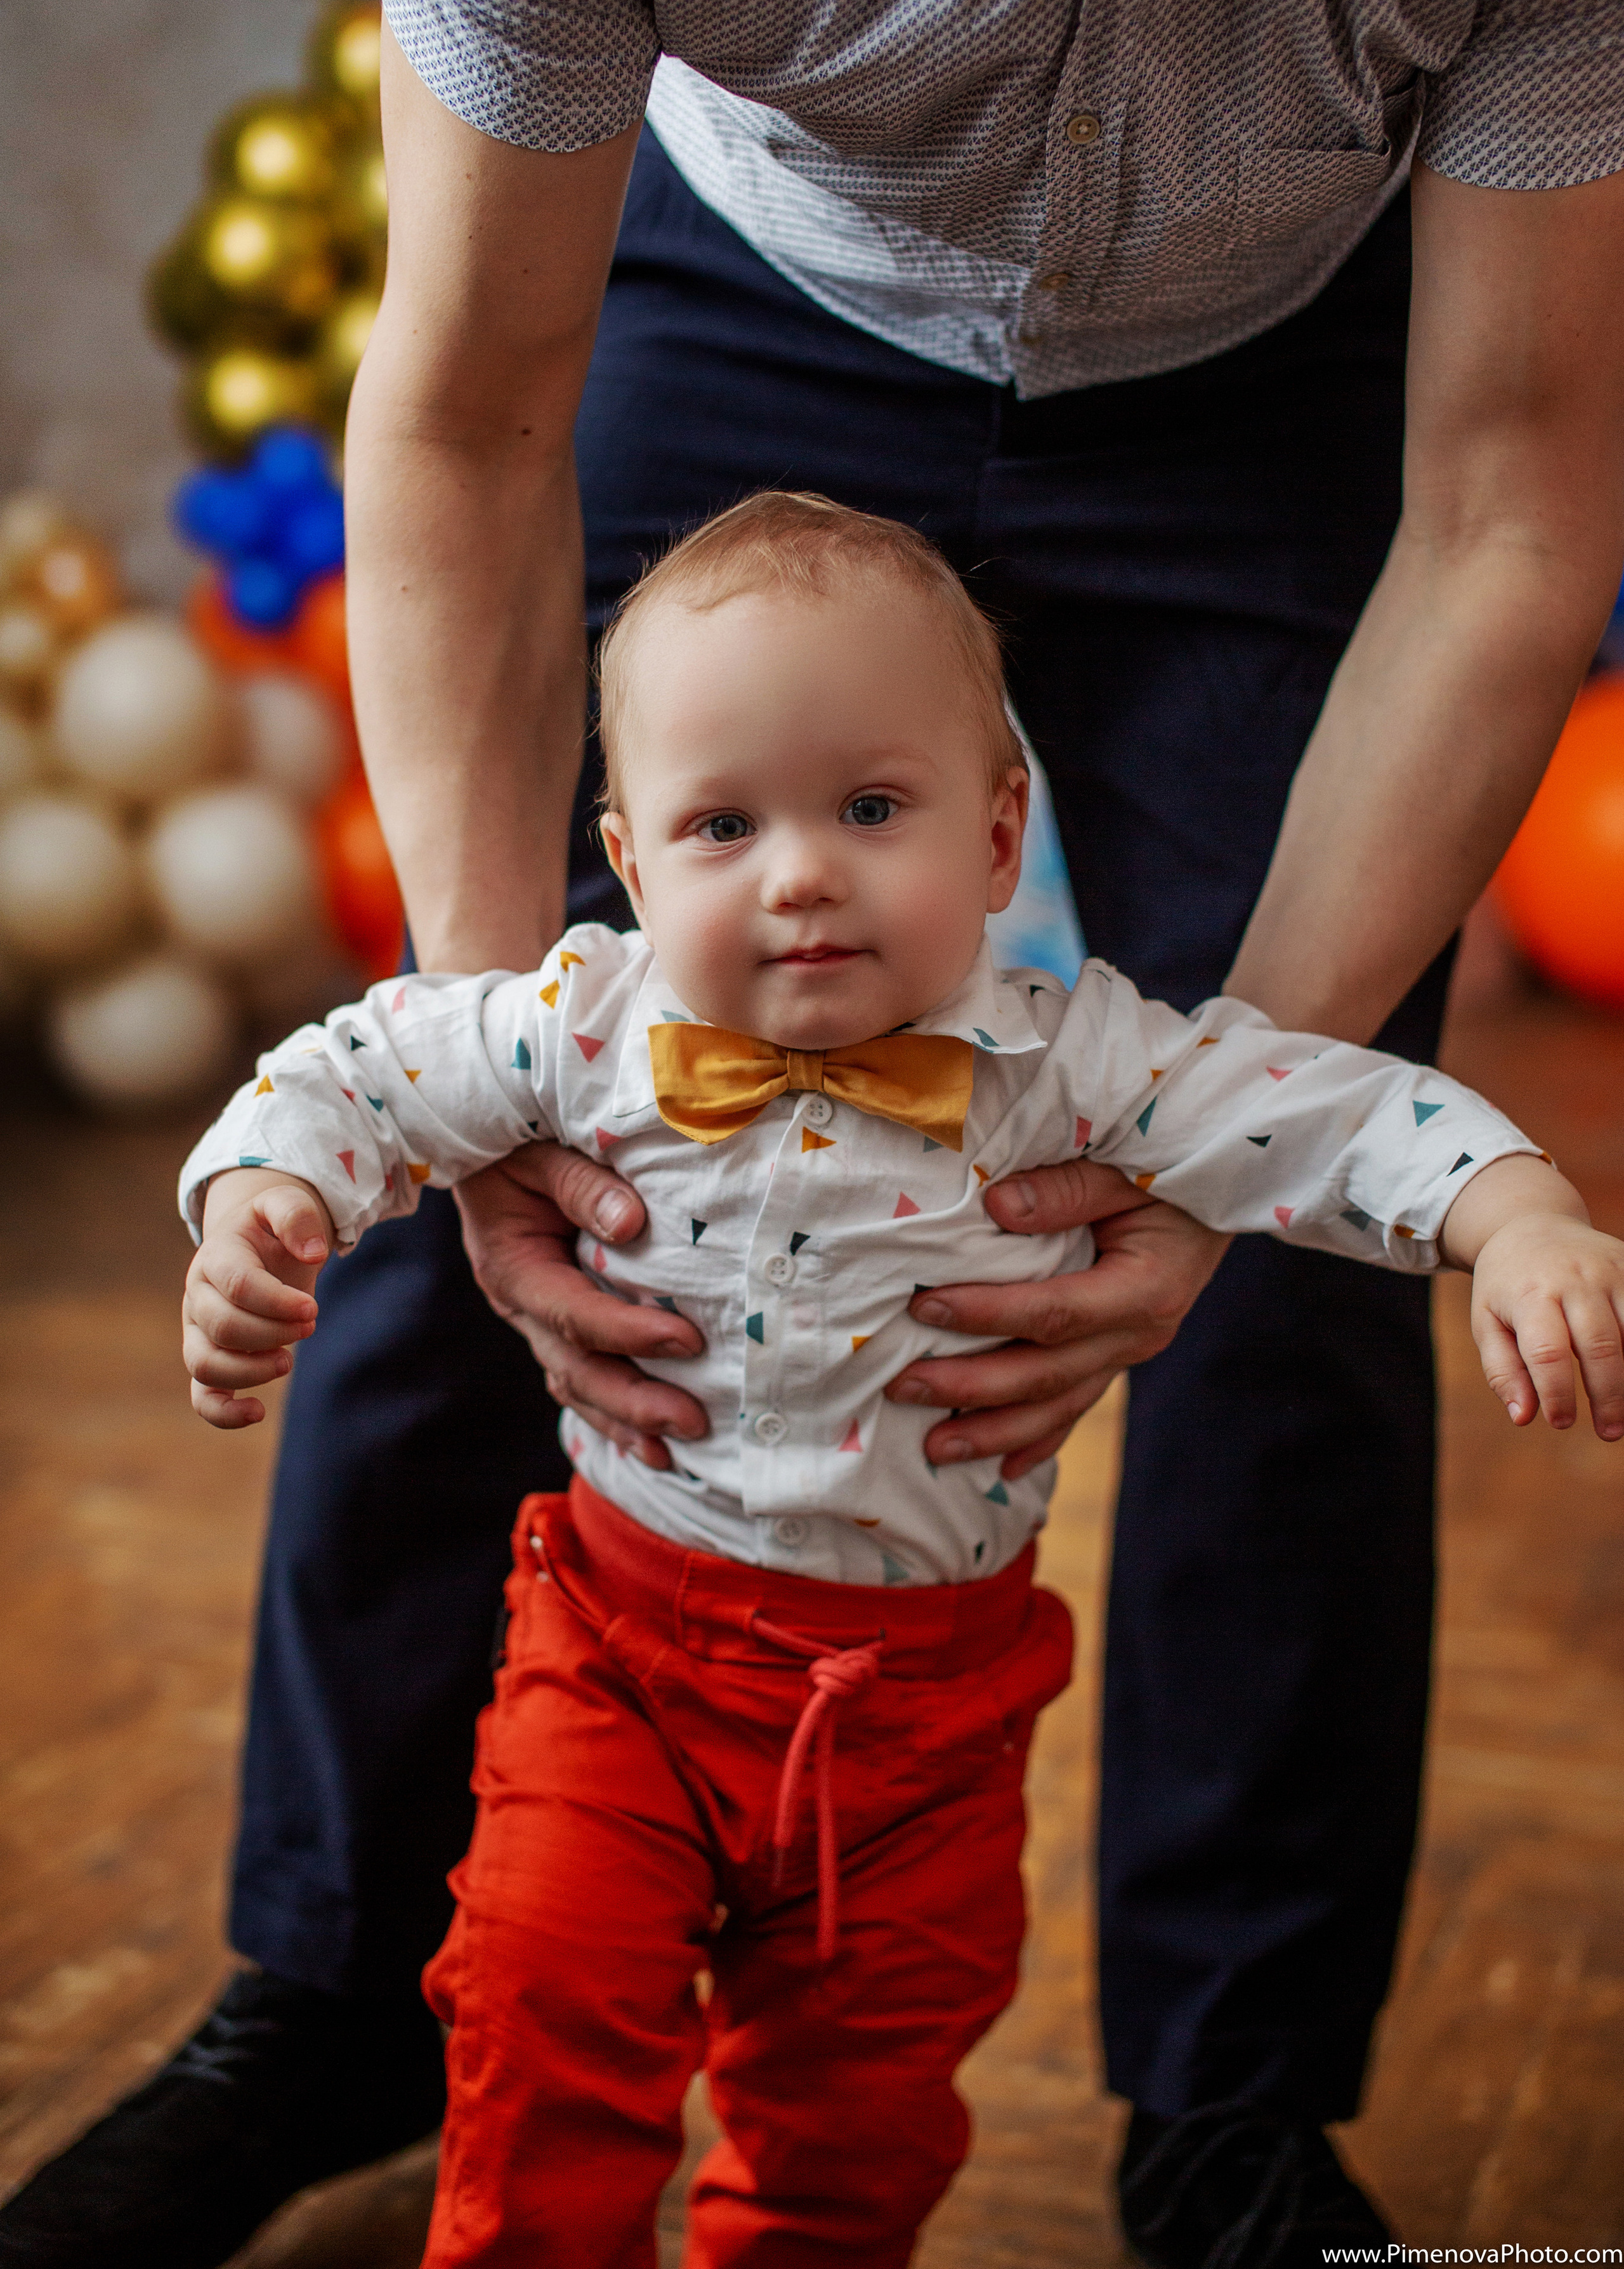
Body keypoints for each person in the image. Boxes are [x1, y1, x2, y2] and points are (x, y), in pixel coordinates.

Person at [4, 0, 1623, 2264]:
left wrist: (1259, 1137)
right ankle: (338, 1985)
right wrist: (502, 1065)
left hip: (1273, 354)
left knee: (1299, 1245)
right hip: (752, 282)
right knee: (512, 1100)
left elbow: (1507, 507)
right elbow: (456, 418)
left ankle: (1232, 2116)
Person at [174, 492, 1624, 2267]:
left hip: (927, 1728)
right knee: (542, 2017)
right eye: (725, 824)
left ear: (1001, 836)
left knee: (861, 2115)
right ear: (628, 863)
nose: (800, 872)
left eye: (873, 809)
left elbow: (1331, 1109)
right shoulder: (575, 1021)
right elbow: (360, 1071)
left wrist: (1518, 1213)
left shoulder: (1073, 1065)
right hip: (620, 1658)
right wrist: (263, 1196)